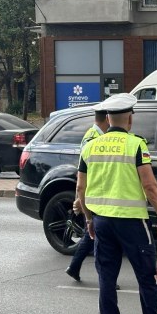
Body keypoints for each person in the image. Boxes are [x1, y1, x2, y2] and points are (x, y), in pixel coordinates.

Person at [76, 93, 157, 314]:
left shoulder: (90, 146)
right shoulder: (135, 145)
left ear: (108, 118)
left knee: (107, 279)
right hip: (132, 223)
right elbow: (150, 185)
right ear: (130, 119)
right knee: (147, 276)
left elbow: (80, 188)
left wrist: (89, 220)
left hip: (102, 222)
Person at [65, 108, 109, 282]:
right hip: (92, 193)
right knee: (96, 237)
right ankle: (105, 277)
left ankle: (74, 267)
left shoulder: (92, 135)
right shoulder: (93, 138)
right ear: (107, 118)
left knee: (91, 235)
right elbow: (84, 171)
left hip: (92, 192)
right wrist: (80, 198)